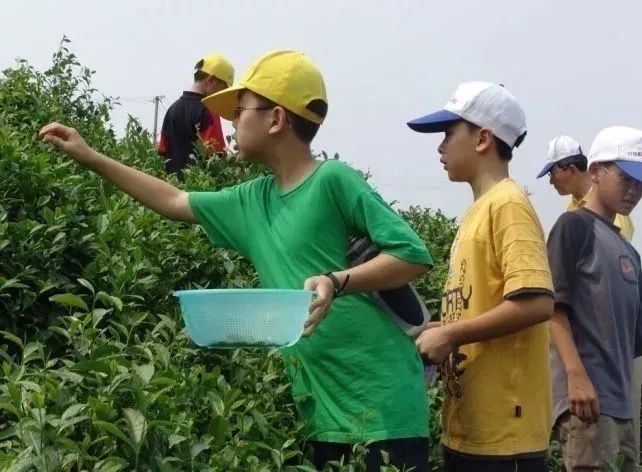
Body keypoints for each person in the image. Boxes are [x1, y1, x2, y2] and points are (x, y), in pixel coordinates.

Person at [40, 50, 432, 472]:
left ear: (276, 119)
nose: (230, 121)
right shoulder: (252, 199)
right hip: (321, 414)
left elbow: (413, 256)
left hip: (383, 410)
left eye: (240, 110)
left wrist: (336, 281)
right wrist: (91, 157)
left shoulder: (333, 180)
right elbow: (173, 200)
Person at [407, 81, 555, 472]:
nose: (440, 147)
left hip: (505, 439)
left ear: (482, 139)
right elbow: (488, 304)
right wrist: (446, 325)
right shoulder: (478, 210)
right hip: (470, 428)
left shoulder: (508, 205)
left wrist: (452, 334)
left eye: (448, 134)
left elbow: (538, 302)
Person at [537, 134, 642, 460]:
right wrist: (576, 377)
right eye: (625, 178)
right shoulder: (573, 227)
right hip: (589, 404)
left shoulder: (629, 250)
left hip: (622, 405)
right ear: (595, 171)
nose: (633, 190)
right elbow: (553, 309)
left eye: (640, 182)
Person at [157, 53, 233, 174]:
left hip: (171, 186)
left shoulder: (172, 109)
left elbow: (162, 151)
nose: (222, 95)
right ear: (211, 80)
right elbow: (216, 156)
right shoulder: (209, 110)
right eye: (223, 88)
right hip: (199, 187)